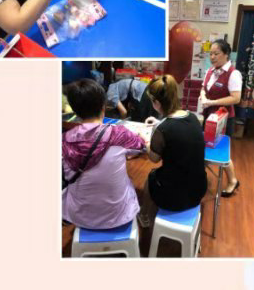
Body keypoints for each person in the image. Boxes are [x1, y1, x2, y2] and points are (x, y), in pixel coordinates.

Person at [62, 80, 146, 229]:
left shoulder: (64, 140)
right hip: (119, 215)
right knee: (130, 180)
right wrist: (140, 137)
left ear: (75, 110)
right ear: (103, 106)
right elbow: (141, 146)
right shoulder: (119, 134)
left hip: (80, 217)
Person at [139, 75, 208, 225]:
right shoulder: (193, 117)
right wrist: (159, 123)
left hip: (175, 198)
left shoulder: (162, 129)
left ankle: (144, 216)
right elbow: (178, 129)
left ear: (157, 103)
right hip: (199, 189)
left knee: (151, 177)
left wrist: (145, 139)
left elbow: (154, 158)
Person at [200, 40, 241, 196]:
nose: (212, 57)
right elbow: (203, 88)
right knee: (206, 147)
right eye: (210, 54)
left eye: (216, 53)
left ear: (226, 54)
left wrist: (212, 102)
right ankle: (201, 177)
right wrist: (204, 96)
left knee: (221, 151)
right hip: (209, 116)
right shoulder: (210, 71)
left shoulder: (233, 73)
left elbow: (236, 98)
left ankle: (233, 181)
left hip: (223, 119)